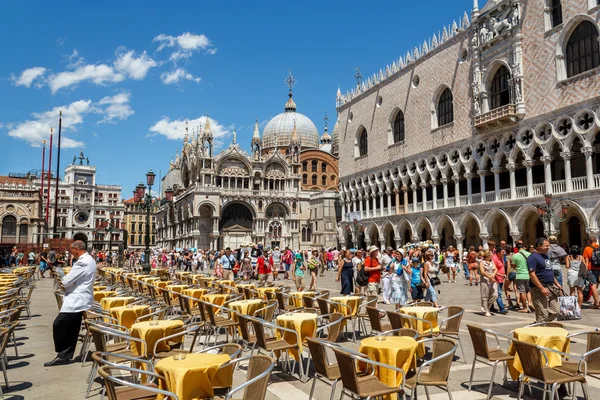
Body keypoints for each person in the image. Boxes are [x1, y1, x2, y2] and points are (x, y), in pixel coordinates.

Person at [44, 241, 96, 366]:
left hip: (76, 300)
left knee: (59, 324)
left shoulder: (82, 262)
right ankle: (64, 356)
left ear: (76, 249)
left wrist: (67, 281)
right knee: (72, 328)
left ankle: (62, 353)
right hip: (81, 299)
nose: (70, 252)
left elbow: (66, 281)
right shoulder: (90, 260)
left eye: (71, 250)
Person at [528, 238, 562, 322]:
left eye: (548, 246)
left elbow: (549, 270)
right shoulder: (532, 257)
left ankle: (539, 324)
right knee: (542, 313)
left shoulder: (546, 256)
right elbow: (532, 274)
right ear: (539, 246)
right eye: (546, 246)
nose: (548, 248)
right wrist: (541, 288)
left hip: (550, 287)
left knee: (556, 311)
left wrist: (557, 283)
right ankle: (541, 326)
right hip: (539, 289)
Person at [479, 250, 498, 317]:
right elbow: (482, 272)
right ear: (487, 255)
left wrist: (493, 274)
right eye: (491, 253)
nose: (492, 254)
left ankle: (487, 306)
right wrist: (489, 277)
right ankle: (486, 309)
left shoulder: (491, 262)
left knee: (495, 295)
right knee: (485, 295)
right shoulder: (482, 262)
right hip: (485, 280)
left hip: (492, 280)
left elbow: (496, 269)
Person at [582, 236, 600, 309]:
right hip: (599, 268)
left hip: (591, 268)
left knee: (593, 285)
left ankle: (597, 303)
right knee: (596, 285)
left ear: (589, 241)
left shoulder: (587, 248)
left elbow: (586, 261)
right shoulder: (599, 247)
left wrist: (585, 271)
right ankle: (596, 301)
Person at [491, 246, 508, 314]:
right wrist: (501, 275)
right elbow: (492, 269)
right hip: (496, 279)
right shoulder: (494, 258)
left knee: (494, 294)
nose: (504, 253)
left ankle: (491, 307)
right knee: (498, 294)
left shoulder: (501, 258)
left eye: (504, 252)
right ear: (498, 253)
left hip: (500, 279)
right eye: (502, 252)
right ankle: (502, 309)